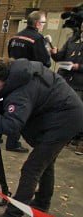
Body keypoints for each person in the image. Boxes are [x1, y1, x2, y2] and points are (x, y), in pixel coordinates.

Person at [0, 58, 83, 217]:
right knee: (46, 161)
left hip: (64, 120)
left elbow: (11, 126)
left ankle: (13, 216)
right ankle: (42, 202)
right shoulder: (19, 73)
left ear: (4, 79)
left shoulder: (20, 92)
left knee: (32, 167)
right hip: (64, 113)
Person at [5, 10, 51, 153]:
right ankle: (13, 142)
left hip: (13, 76)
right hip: (29, 80)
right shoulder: (37, 39)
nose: (43, 25)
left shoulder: (15, 37)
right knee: (22, 110)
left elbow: (9, 56)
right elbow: (45, 62)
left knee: (11, 106)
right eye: (43, 23)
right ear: (37, 24)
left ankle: (0, 134)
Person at [51, 22, 83, 154]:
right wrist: (54, 53)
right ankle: (64, 136)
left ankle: (79, 140)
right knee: (62, 109)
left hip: (79, 84)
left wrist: (78, 67)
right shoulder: (72, 40)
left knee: (78, 112)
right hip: (65, 80)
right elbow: (60, 57)